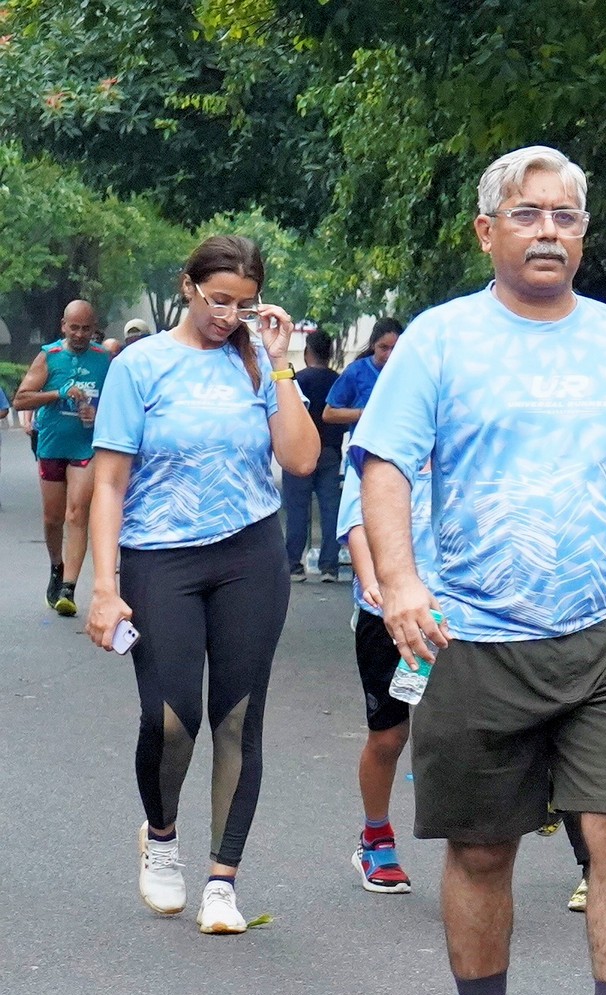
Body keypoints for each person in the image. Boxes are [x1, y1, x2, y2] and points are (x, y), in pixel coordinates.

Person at [352, 144, 606, 995]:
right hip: (473, 635)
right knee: (481, 848)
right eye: (528, 214)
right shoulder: (440, 341)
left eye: (566, 217)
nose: (549, 232)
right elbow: (385, 466)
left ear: (584, 234)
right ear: (487, 230)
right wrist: (401, 584)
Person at [82, 235, 321, 934]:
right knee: (171, 718)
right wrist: (105, 587)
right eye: (218, 300)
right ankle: (161, 838)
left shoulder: (258, 364)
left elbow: (301, 459)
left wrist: (280, 364)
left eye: (243, 304)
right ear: (187, 286)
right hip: (160, 557)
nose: (227, 316)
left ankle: (223, 879)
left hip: (250, 554)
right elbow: (109, 483)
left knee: (238, 719)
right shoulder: (141, 366)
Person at [334, 442, 434, 892]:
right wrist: (375, 581)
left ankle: (476, 849)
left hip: (461, 613)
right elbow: (356, 524)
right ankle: (375, 839)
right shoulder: (378, 443)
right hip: (388, 615)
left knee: (466, 733)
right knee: (389, 736)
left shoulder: (471, 433)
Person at [16, 300, 112, 616]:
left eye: (86, 328)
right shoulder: (50, 356)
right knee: (53, 518)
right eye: (74, 328)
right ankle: (57, 566)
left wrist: (98, 414)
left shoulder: (105, 360)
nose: (80, 334)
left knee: (77, 514)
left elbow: (119, 403)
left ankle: (68, 588)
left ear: (94, 328)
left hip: (86, 446)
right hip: (52, 446)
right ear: (63, 326)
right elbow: (21, 400)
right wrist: (58, 393)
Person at [283, 327, 345, 582]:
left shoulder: (297, 381)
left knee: (297, 509)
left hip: (299, 451)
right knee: (330, 510)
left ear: (307, 352)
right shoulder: (338, 381)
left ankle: (294, 565)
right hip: (330, 451)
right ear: (330, 353)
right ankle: (329, 566)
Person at [321, 317, 400, 434]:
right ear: (373, 345)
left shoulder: (409, 371)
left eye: (395, 348)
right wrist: (364, 413)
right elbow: (328, 414)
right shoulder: (356, 372)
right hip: (365, 443)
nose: (389, 354)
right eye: (383, 347)